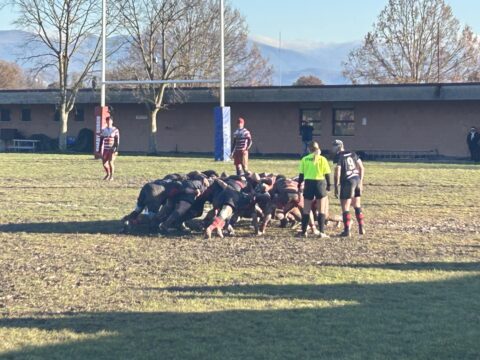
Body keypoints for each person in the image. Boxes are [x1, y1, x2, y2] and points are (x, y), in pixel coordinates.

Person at [297, 141, 332, 238]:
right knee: (321, 210)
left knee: (306, 210)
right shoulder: (322, 159)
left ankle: (304, 232)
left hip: (308, 184)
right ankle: (321, 232)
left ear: (308, 149)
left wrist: (299, 184)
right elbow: (327, 173)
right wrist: (329, 185)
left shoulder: (304, 159)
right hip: (320, 184)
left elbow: (301, 175)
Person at [333, 139, 365, 237]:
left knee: (345, 207)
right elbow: (362, 167)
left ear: (337, 147)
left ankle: (347, 230)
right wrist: (361, 181)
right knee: (357, 205)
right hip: (356, 179)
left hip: (347, 181)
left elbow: (337, 171)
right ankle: (361, 226)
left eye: (334, 146)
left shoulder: (338, 156)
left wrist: (336, 186)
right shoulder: (353, 153)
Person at [99, 116, 119, 181]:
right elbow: (101, 140)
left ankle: (111, 176)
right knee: (104, 163)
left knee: (110, 162)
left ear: (112, 121)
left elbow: (117, 140)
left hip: (112, 148)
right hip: (105, 149)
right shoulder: (104, 130)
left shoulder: (115, 130)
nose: (108, 122)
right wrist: (100, 150)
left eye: (110, 121)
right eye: (107, 121)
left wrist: (116, 149)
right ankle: (108, 174)